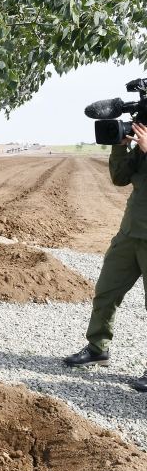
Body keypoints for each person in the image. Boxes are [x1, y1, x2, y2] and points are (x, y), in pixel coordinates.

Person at [64, 121, 147, 391]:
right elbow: (120, 178)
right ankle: (98, 348)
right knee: (105, 292)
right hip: (129, 234)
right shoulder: (140, 148)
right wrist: (120, 147)